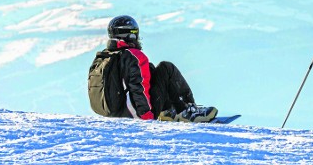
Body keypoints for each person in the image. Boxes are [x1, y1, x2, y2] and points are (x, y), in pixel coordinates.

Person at [89, 15, 218, 123]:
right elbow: (138, 88)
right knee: (166, 68)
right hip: (135, 115)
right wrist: (147, 117)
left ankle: (168, 112)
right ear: (131, 35)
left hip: (114, 114)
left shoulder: (104, 57)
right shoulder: (134, 55)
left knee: (151, 70)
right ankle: (189, 111)